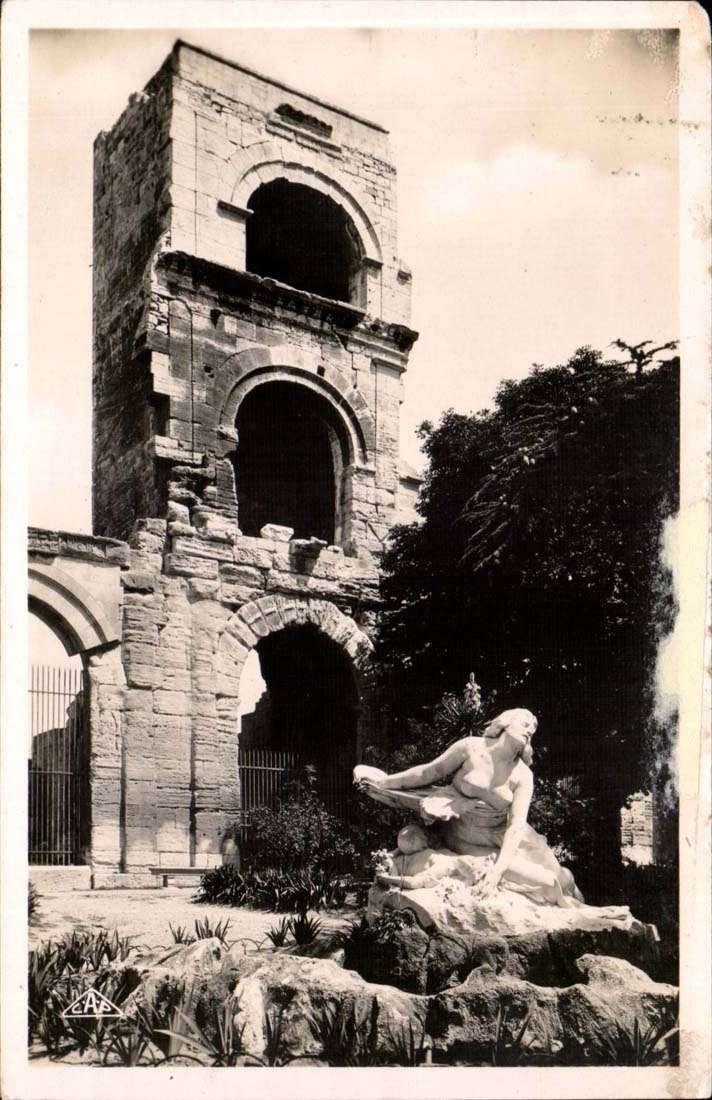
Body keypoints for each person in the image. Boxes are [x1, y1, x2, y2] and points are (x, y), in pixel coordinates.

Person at [355, 708, 625, 913]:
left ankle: (578, 906)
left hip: (507, 839)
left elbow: (517, 825)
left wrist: (497, 871)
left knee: (563, 878)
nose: (530, 728)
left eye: (534, 727)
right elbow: (427, 773)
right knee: (545, 883)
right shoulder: (471, 748)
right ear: (505, 722)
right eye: (524, 722)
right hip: (461, 835)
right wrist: (385, 782)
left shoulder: (522, 775)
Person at [373, 822, 496, 891]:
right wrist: (397, 851)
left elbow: (414, 883)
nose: (470, 864)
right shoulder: (448, 853)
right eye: (472, 862)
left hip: (396, 870)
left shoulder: (443, 867)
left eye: (472, 870)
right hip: (398, 859)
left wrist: (385, 878)